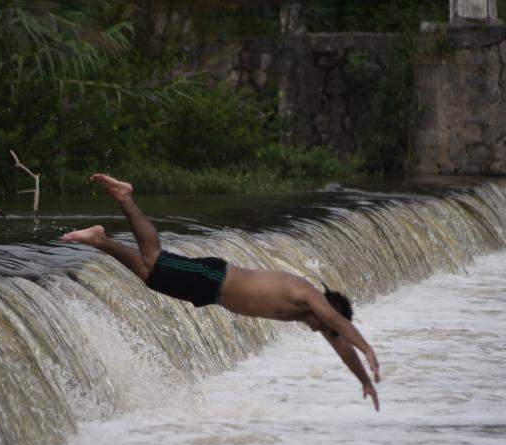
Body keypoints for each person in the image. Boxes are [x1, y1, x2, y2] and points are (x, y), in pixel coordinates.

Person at [62, 173, 381, 411]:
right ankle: (124, 196)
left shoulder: (305, 313)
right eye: (322, 324)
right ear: (328, 309)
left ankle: (100, 240)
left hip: (211, 291)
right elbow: (340, 327)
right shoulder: (307, 295)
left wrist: (365, 381)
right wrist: (368, 351)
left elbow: (340, 344)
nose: (317, 329)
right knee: (153, 258)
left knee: (152, 276)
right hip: (213, 277)